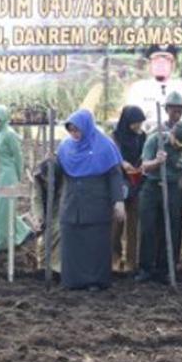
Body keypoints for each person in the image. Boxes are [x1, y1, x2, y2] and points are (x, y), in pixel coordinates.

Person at [57, 109, 125, 290]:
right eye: (71, 130)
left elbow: (115, 175)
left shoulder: (105, 146)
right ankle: (72, 280)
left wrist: (118, 201)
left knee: (95, 245)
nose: (75, 134)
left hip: (96, 204)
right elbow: (57, 171)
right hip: (72, 204)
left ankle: (95, 281)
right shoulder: (65, 147)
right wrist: (49, 164)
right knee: (72, 243)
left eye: (77, 129)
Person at [135, 121, 182, 284]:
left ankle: (166, 269)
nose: (179, 147)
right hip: (151, 187)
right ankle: (146, 269)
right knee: (148, 228)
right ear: (171, 134)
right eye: (177, 143)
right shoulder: (155, 140)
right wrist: (157, 161)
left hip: (173, 189)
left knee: (172, 229)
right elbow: (144, 166)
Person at [0, 105, 33, 254]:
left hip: (8, 176)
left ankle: (1, 243)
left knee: (4, 210)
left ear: (4, 118)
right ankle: (19, 233)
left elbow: (18, 156)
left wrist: (18, 177)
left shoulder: (9, 134)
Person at [111, 105, 146, 272]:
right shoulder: (116, 137)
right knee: (116, 223)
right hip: (119, 183)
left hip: (136, 182)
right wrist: (123, 164)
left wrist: (139, 168)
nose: (137, 126)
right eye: (134, 123)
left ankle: (132, 262)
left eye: (140, 123)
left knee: (134, 224)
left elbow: (145, 155)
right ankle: (114, 260)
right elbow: (114, 156)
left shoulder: (142, 137)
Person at [125, 45, 182, 130]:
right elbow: (131, 120)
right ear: (150, 64)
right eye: (156, 61)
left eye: (166, 61)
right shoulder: (138, 89)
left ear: (173, 65)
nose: (161, 65)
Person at [32, 157, 63, 277]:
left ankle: (56, 267)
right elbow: (36, 199)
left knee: (57, 230)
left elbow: (62, 199)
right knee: (43, 233)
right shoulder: (38, 177)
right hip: (45, 204)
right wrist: (38, 217)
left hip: (59, 203)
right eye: (45, 180)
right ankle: (43, 266)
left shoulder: (63, 177)